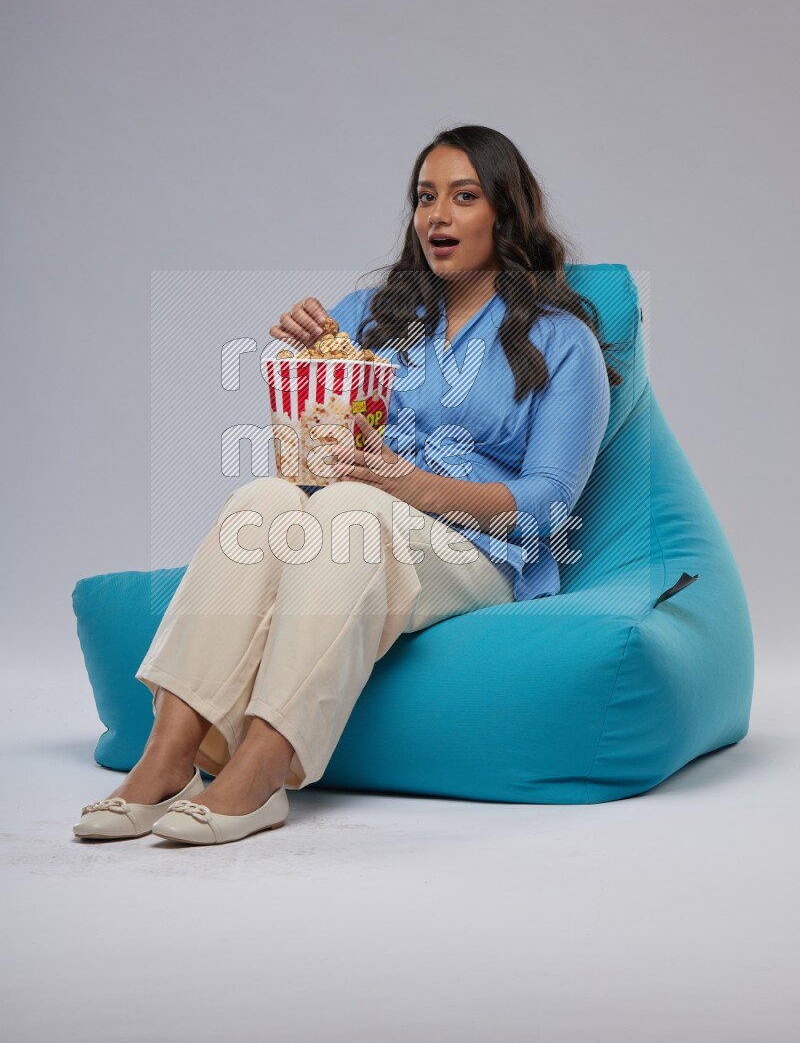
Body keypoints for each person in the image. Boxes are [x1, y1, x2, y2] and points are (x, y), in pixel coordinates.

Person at [73, 124, 620, 846]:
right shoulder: (372, 315)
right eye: (426, 198)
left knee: (351, 509)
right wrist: (310, 366)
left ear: (504, 214)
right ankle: (169, 753)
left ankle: (262, 769)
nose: (438, 216)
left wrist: (413, 485)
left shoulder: (561, 339)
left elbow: (549, 505)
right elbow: (315, 451)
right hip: (350, 514)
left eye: (463, 197)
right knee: (261, 500)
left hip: (480, 550)